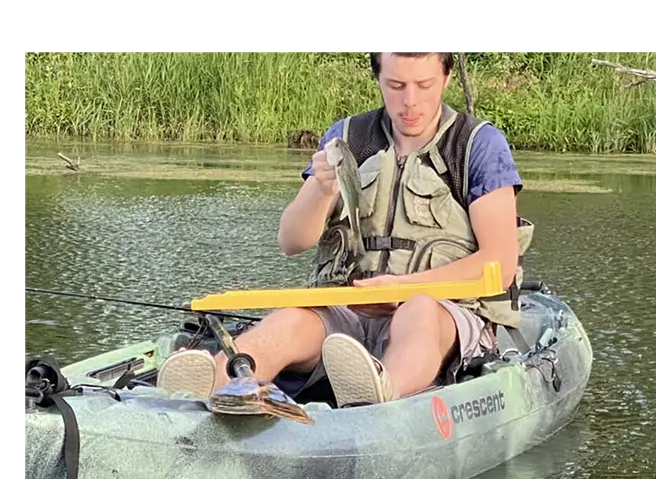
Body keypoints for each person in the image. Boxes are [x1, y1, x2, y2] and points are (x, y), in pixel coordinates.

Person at [156, 50, 534, 406]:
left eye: (424, 85)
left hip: (441, 312)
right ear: (378, 78)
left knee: (417, 311)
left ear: (447, 77)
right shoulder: (348, 138)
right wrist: (321, 190)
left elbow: (498, 264)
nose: (410, 102)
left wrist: (403, 288)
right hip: (348, 309)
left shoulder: (479, 145)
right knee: (288, 321)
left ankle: (382, 393)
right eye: (396, 86)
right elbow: (291, 241)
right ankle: (212, 388)